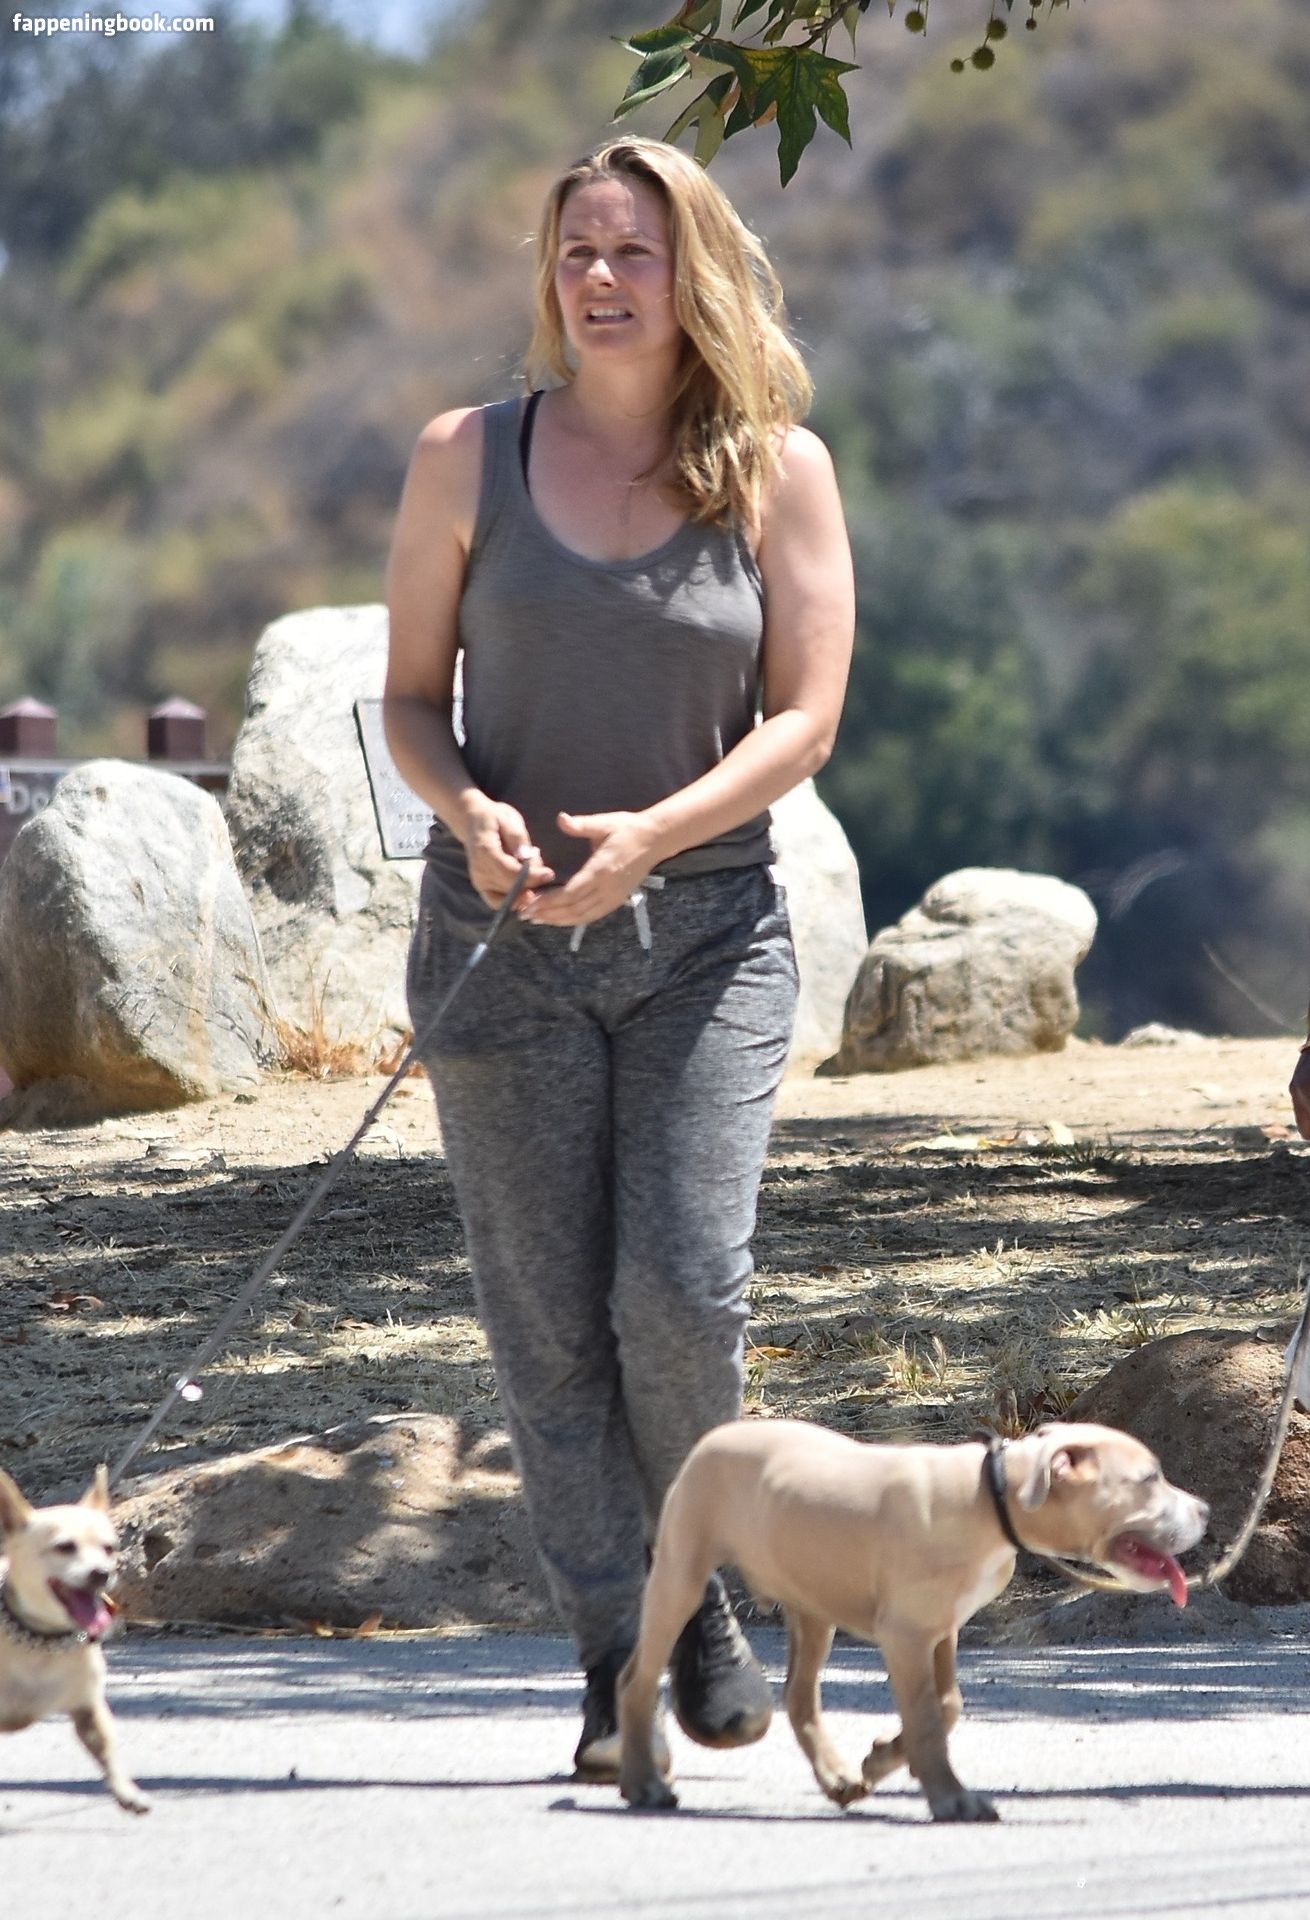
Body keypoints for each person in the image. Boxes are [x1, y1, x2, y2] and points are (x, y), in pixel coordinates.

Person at [382, 135, 855, 1779]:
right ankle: (622, 1650)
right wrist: (464, 811)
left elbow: (804, 717)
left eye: (631, 252)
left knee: (675, 1293)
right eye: (575, 251)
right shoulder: (465, 457)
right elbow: (408, 702)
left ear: (691, 271)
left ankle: (696, 1589)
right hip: (498, 944)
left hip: (703, 938)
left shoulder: (778, 469)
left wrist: (653, 834)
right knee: (546, 1322)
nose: (598, 278)